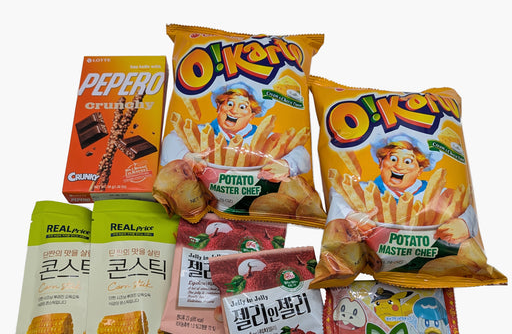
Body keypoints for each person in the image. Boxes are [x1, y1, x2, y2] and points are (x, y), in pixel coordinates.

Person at [328, 134, 478, 244]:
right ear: (380, 162)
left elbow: (467, 208)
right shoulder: (362, 190)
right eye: (393, 159)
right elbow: (336, 194)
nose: (399, 166)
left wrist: (465, 224)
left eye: (408, 161)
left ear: (420, 170)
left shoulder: (439, 194)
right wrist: (349, 215)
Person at [159, 82, 311, 182]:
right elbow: (169, 141)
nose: (234, 110)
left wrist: (287, 165)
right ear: (218, 107)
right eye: (229, 103)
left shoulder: (267, 140)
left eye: (243, 107)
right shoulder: (199, 132)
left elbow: (302, 153)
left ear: (252, 115)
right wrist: (185, 156)